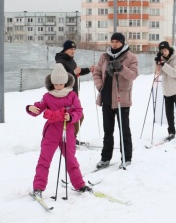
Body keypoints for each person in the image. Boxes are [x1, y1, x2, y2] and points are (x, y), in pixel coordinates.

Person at [26, 63, 90, 196]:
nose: (58, 86)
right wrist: (30, 108)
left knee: (71, 160)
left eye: (61, 84)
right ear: (52, 83)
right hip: (51, 132)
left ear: (66, 82)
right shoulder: (48, 96)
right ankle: (38, 187)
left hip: (68, 131)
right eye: (56, 84)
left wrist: (71, 116)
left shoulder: (72, 95)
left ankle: (80, 185)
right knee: (44, 160)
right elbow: (38, 108)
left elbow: (79, 111)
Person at [92, 32, 139, 169]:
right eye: (112, 41)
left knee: (124, 129)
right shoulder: (104, 56)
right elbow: (97, 73)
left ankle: (126, 157)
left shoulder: (131, 57)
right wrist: (100, 88)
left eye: (117, 42)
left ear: (123, 43)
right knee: (108, 131)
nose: (114, 44)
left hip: (121, 98)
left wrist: (121, 67)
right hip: (106, 98)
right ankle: (105, 158)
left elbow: (133, 75)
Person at [54, 40, 91, 143]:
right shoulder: (60, 61)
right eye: (71, 49)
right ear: (65, 49)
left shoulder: (71, 60)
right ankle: (68, 139)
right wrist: (74, 72)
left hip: (73, 94)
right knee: (73, 117)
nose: (73, 51)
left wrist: (88, 69)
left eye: (74, 49)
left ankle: (71, 138)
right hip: (64, 94)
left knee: (77, 116)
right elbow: (61, 77)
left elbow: (76, 73)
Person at [155, 40, 176, 142]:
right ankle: (171, 132)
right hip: (167, 89)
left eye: (165, 50)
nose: (164, 52)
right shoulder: (162, 59)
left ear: (169, 49)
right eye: (162, 51)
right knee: (168, 112)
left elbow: (174, 72)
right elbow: (158, 73)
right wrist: (157, 63)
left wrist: (163, 64)